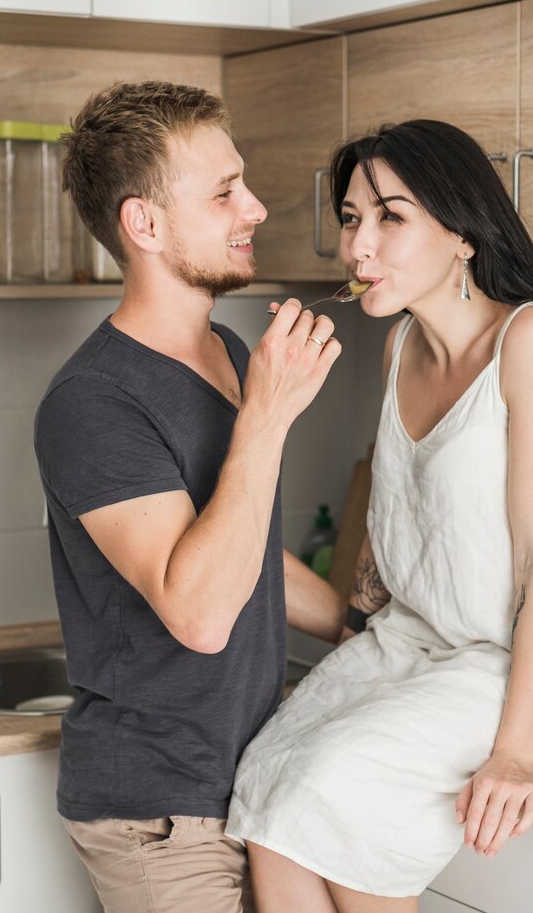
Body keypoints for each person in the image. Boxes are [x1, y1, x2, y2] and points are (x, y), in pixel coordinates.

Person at [226, 119, 533, 913]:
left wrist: (516, 757)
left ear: (461, 233)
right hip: (419, 650)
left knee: (335, 791)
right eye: (352, 218)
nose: (359, 247)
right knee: (265, 775)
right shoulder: (399, 349)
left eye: (392, 217)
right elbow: (405, 527)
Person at [34, 80, 347, 913]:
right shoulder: (92, 403)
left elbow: (241, 554)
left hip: (255, 780)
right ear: (144, 224)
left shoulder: (231, 352)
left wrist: (360, 620)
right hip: (160, 815)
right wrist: (269, 418)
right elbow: (200, 613)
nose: (256, 207)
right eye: (223, 193)